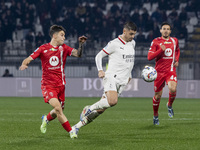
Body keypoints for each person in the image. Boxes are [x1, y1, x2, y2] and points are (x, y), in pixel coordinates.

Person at [19, 25, 87, 138]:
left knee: (58, 111)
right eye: (62, 35)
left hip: (61, 85)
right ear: (54, 36)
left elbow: (78, 54)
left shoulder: (64, 48)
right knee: (57, 108)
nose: (64, 38)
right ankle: (71, 131)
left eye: (64, 35)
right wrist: (24, 64)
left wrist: (81, 44)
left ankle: (46, 119)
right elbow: (29, 58)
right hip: (48, 85)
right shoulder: (43, 48)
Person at [71, 21, 137, 137]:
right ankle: (88, 109)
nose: (133, 37)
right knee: (112, 101)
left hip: (123, 81)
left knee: (101, 110)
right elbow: (99, 56)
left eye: (134, 34)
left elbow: (129, 61)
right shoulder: (114, 44)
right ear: (124, 32)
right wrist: (100, 70)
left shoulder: (133, 43)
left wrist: (129, 75)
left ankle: (76, 127)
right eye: (131, 34)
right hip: (112, 77)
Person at [147, 22, 180, 125]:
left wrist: (177, 60)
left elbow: (177, 50)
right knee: (157, 96)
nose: (166, 30)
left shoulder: (174, 41)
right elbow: (149, 57)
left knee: (172, 88)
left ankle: (169, 105)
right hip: (159, 72)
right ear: (160, 30)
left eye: (168, 29)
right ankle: (155, 116)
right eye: (164, 29)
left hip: (170, 70)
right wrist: (160, 51)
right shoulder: (156, 41)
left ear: (170, 31)